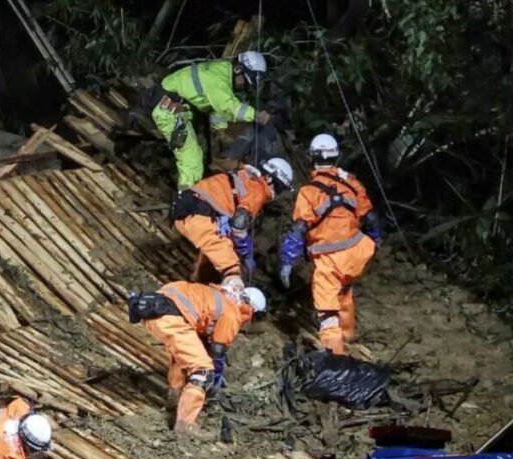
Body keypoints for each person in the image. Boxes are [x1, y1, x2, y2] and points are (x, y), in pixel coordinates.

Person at [279, 134, 381, 354]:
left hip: (330, 258)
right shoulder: (352, 184)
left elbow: (299, 230)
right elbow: (370, 218)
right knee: (344, 290)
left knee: (327, 313)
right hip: (357, 252)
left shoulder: (309, 192)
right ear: (336, 157)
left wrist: (287, 260)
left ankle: (336, 359)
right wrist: (375, 241)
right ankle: (348, 336)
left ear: (312, 158)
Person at [129, 282, 266, 435]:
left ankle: (175, 398)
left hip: (155, 307)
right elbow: (217, 350)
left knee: (186, 357)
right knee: (203, 370)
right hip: (171, 314)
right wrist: (215, 374)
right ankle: (185, 425)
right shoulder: (232, 312)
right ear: (252, 309)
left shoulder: (218, 296)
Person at [151, 51, 272, 189]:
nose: (245, 86)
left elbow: (213, 106)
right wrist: (256, 115)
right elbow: (228, 106)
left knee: (199, 153)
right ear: (239, 69)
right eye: (246, 81)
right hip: (168, 112)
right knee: (192, 159)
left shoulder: (222, 71)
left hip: (178, 110)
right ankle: (184, 199)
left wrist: (220, 131)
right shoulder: (217, 78)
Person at [171, 157, 294, 290]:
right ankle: (232, 286)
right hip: (199, 216)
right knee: (229, 263)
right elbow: (238, 224)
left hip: (186, 209)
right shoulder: (258, 189)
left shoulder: (243, 176)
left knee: (212, 257)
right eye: (279, 188)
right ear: (269, 179)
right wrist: (246, 252)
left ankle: (199, 285)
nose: (276, 193)